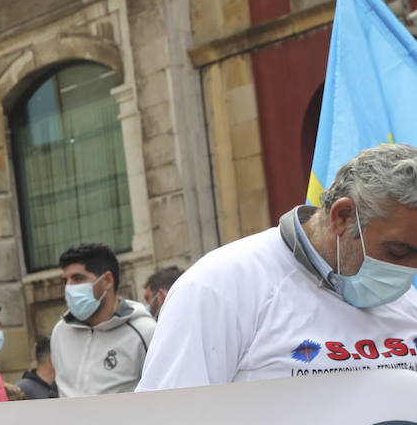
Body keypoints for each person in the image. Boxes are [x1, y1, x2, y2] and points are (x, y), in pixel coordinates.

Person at [139, 143, 417, 389]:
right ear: (342, 217)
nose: (409, 270)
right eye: (397, 252)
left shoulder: (409, 301)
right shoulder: (220, 287)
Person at [50, 242, 156, 396]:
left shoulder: (144, 332)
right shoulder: (60, 332)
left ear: (107, 280)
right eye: (65, 281)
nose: (69, 287)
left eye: (78, 279)